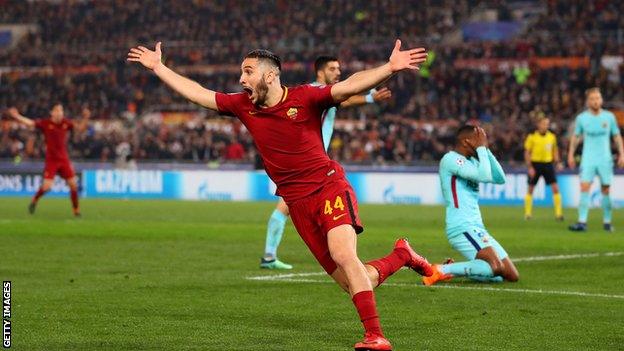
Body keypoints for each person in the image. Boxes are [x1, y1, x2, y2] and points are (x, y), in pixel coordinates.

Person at [128, 40, 432, 350]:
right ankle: (402, 255)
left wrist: (390, 68)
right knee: (352, 281)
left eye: (248, 72)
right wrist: (159, 67)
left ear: (270, 75)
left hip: (328, 187)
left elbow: (348, 86)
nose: (242, 80)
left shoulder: (305, 97)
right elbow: (201, 95)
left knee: (343, 254)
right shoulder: (243, 106)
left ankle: (375, 336)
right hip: (297, 203)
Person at [260, 55, 392, 270]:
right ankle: (269, 256)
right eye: (333, 69)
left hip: (308, 164)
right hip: (302, 166)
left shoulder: (321, 94)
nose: (338, 72)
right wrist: (369, 98)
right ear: (320, 71)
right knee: (284, 208)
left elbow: (345, 98)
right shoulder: (312, 92)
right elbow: (346, 96)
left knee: (286, 209)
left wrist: (369, 98)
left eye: (339, 68)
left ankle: (271, 255)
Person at [424, 125, 519, 286]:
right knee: (495, 267)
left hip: (477, 227)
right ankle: (439, 270)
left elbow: (500, 178)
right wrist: (481, 149)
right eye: (479, 140)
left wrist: (485, 150)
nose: (482, 142)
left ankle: (453, 269)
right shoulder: (451, 159)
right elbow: (483, 175)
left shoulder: (474, 161)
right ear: (466, 142)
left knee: (510, 274)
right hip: (462, 226)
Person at [8, 104, 81, 217]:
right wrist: (17, 116)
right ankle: (34, 200)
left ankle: (76, 211)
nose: (60, 113)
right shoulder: (46, 123)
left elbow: (80, 128)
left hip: (64, 159)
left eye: (61, 110)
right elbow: (30, 123)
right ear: (52, 113)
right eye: (57, 110)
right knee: (47, 186)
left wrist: (85, 117)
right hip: (51, 160)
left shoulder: (66, 123)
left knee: (73, 185)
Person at [568, 88, 624, 232]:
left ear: (601, 100)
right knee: (584, 187)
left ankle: (607, 222)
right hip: (588, 158)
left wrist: (622, 154)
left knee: (606, 189)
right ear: (588, 101)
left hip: (605, 158)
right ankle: (582, 222)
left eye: (598, 98)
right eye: (593, 98)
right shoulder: (582, 118)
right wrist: (570, 154)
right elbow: (575, 137)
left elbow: (616, 136)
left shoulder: (609, 117)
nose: (596, 101)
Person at [523, 114, 564, 221]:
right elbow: (527, 152)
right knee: (530, 189)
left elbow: (554, 151)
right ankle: (527, 213)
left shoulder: (552, 137)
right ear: (538, 125)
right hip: (535, 164)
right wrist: (530, 167)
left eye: (547, 124)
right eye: (543, 124)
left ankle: (559, 214)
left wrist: (558, 162)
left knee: (555, 188)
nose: (546, 126)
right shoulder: (532, 136)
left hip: (548, 164)